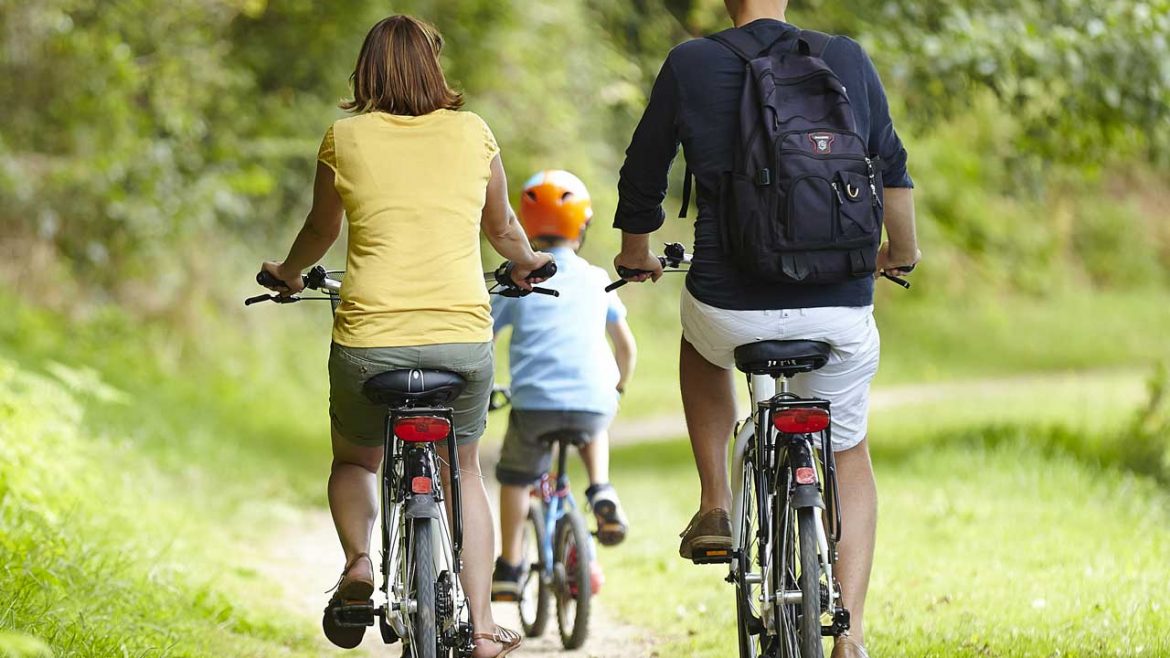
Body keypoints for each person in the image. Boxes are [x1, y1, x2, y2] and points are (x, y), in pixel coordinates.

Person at [611, 2, 921, 657]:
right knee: (848, 455)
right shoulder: (845, 57)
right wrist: (901, 252)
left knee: (700, 347)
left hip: (729, 305)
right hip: (837, 308)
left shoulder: (691, 62)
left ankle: (716, 501)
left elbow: (644, 173)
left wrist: (636, 252)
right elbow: (892, 170)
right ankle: (852, 636)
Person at [258, 15, 551, 658]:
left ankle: (361, 563)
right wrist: (529, 264)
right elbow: (502, 229)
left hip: (370, 341)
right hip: (460, 338)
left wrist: (285, 274)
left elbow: (319, 233)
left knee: (355, 459)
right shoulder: (475, 134)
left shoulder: (345, 138)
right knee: (465, 469)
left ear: (364, 71)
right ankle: (479, 629)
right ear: (434, 67)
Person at [488, 170, 637, 600]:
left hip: (534, 402)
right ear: (583, 225)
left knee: (516, 476)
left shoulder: (517, 280)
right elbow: (625, 347)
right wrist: (619, 388)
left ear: (525, 225)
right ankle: (601, 487)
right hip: (592, 398)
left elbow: (486, 339)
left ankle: (511, 567)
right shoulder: (595, 279)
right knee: (595, 417)